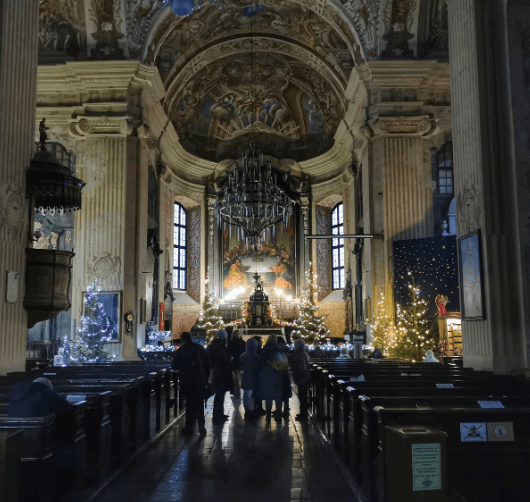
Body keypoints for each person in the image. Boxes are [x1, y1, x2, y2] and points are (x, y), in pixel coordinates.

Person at [172, 331, 210, 435]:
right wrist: (206, 378)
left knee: (189, 404)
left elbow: (174, 366)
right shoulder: (200, 348)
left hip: (187, 380)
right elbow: (207, 364)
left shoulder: (181, 350)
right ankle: (201, 426)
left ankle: (189, 426)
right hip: (200, 379)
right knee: (199, 403)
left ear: (182, 339)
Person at [207, 329, 233, 423]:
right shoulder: (220, 347)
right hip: (221, 375)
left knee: (220, 395)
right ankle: (218, 416)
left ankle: (219, 414)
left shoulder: (214, 346)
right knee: (220, 395)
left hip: (218, 374)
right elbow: (223, 361)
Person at [254, 334, 283, 420]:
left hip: (267, 374)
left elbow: (260, 362)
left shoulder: (265, 349)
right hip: (278, 374)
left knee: (268, 395)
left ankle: (268, 413)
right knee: (278, 395)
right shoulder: (280, 348)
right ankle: (278, 412)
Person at [240, 337, 260, 420]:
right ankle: (252, 411)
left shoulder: (243, 355)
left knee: (245, 395)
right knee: (251, 395)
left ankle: (247, 410)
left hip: (245, 376)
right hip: (253, 377)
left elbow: (241, 365)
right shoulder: (255, 356)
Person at [292, 339, 311, 421]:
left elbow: (302, 367)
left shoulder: (299, 354)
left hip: (302, 377)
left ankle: (304, 415)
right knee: (302, 396)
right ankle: (303, 413)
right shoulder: (304, 353)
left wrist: (298, 374)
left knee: (302, 396)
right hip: (304, 377)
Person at [228, 329, 246, 398]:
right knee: (237, 379)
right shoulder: (242, 342)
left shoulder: (231, 343)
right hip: (239, 362)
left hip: (234, 362)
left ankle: (236, 392)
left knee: (235, 379)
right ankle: (236, 392)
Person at [277, 336, 292, 418]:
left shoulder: (276, 348)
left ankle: (278, 410)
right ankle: (286, 408)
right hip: (285, 370)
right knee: (286, 391)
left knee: (279, 391)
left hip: (278, 368)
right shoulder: (286, 348)